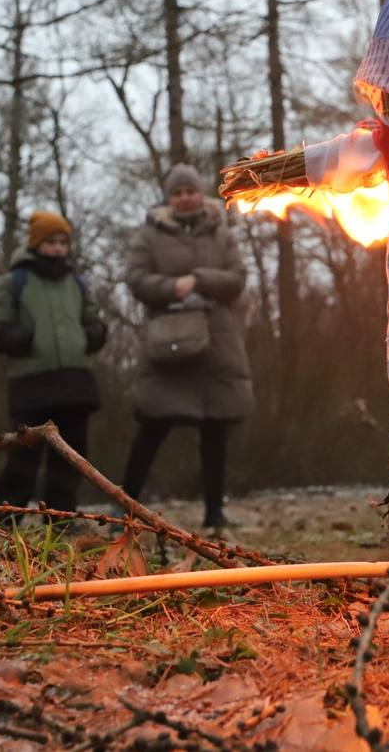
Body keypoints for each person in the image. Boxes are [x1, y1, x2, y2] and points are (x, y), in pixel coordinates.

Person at [122, 164, 254, 529]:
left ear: (200, 193)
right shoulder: (148, 234)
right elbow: (135, 278)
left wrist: (198, 279)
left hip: (217, 342)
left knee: (216, 430)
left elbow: (237, 278)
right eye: (177, 192)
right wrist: (171, 288)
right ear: (168, 197)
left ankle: (215, 512)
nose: (184, 197)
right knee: (151, 426)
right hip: (170, 342)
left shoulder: (222, 231)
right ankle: (124, 504)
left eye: (190, 190)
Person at [0, 211, 107, 516]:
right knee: (24, 454)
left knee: (71, 455)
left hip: (76, 381)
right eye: (51, 241)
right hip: (31, 381)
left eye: (63, 241)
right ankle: (5, 517)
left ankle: (61, 518)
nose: (58, 248)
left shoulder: (76, 282)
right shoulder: (15, 281)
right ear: (37, 243)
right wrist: (23, 340)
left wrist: (89, 336)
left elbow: (94, 320)